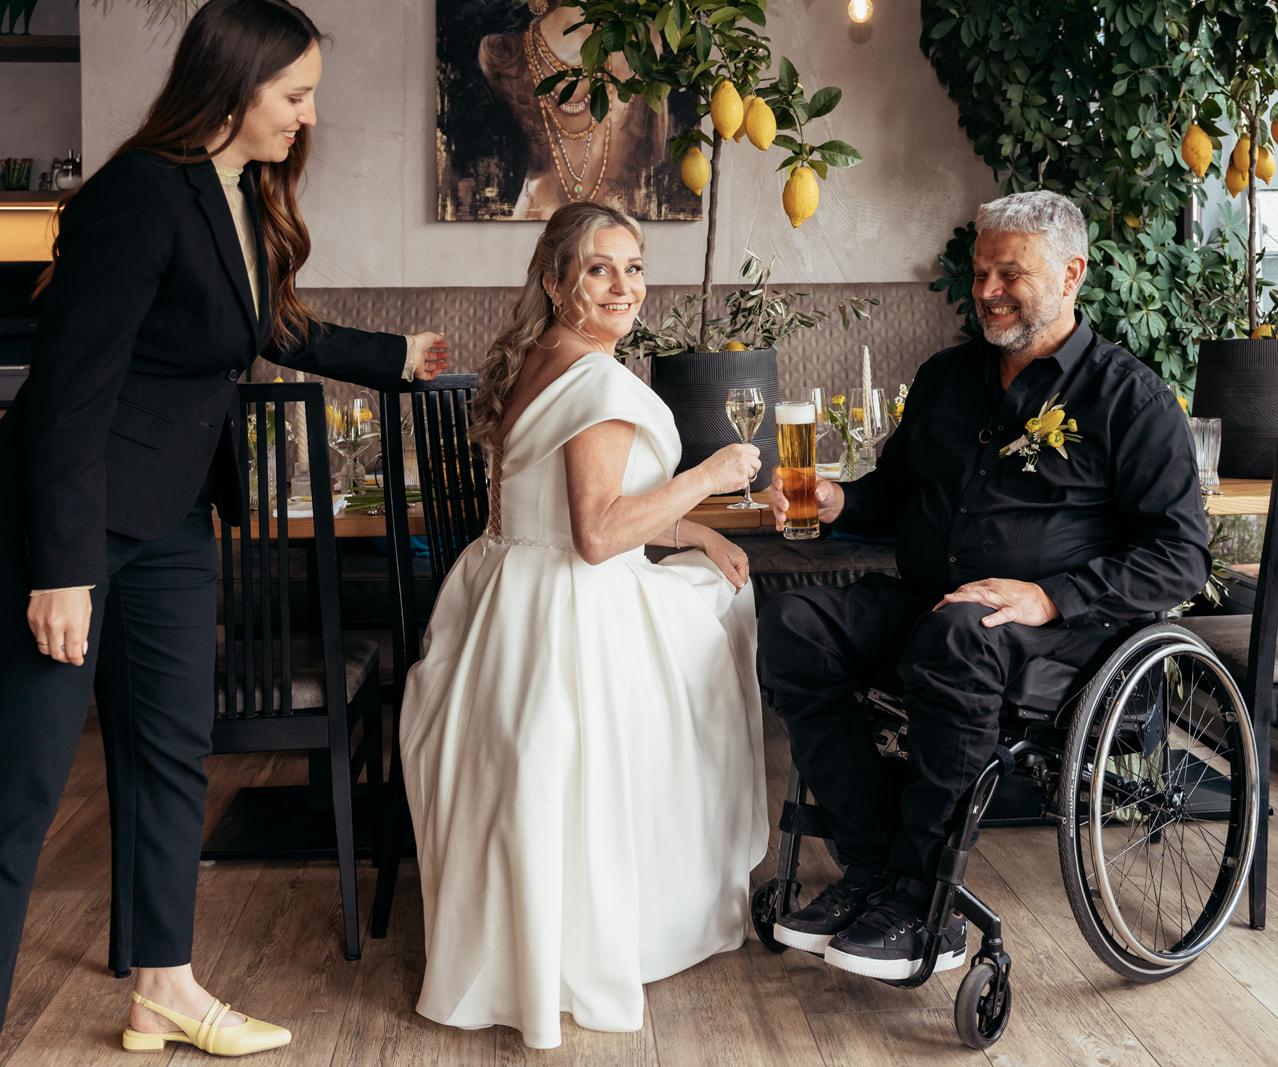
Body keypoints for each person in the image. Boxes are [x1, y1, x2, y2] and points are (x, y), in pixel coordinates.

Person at [0, 0, 453, 1056]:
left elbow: (263, 321)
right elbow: (65, 393)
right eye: (293, 96)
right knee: (23, 779)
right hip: (73, 528)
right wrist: (61, 569)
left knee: (170, 753)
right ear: (232, 84)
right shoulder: (135, 196)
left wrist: (394, 356)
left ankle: (164, 984)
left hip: (169, 523)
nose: (305, 117)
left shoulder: (238, 192)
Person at [757, 190, 1211, 981]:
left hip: (1058, 639)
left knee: (959, 636)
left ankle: (920, 903)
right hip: (931, 605)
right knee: (793, 622)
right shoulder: (945, 378)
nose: (989, 291)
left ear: (1072, 274)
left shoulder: (1130, 399)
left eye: (1011, 273)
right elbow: (892, 495)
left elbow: (1180, 556)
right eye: (980, 274)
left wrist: (1049, 596)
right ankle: (869, 864)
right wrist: (837, 501)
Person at [399, 201, 768, 1049]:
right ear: (557, 279)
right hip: (570, 605)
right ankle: (671, 898)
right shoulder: (600, 379)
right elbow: (599, 536)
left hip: (501, 604)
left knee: (709, 582)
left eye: (634, 267)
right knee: (728, 611)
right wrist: (709, 477)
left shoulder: (541, 357)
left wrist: (691, 530)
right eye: (600, 268)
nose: (623, 286)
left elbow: (568, 516)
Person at [477, 0, 671, 219]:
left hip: (614, 229)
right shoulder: (501, 56)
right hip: (535, 227)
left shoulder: (641, 45)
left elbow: (654, 157)